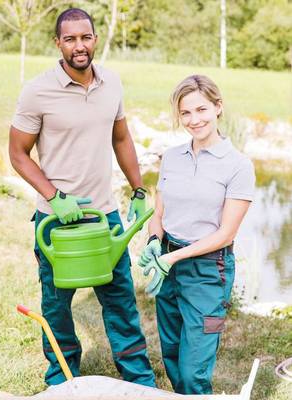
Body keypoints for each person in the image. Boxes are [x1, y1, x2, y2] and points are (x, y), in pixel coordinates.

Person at [9, 8, 155, 387]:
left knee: (121, 302)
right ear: (58, 43)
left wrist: (138, 188)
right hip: (57, 222)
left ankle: (139, 381)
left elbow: (121, 139)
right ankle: (62, 378)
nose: (79, 46)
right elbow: (18, 154)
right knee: (57, 307)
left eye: (85, 37)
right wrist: (54, 196)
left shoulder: (112, 84)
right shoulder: (37, 91)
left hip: (104, 217)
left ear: (95, 38)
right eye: (70, 39)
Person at [138, 75, 255, 395]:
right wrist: (153, 243)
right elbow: (158, 214)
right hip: (168, 262)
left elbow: (226, 233)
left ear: (218, 107)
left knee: (193, 370)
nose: (194, 120)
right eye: (185, 113)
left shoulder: (238, 165)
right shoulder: (172, 157)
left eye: (201, 110)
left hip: (207, 270)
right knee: (172, 355)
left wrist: (171, 257)